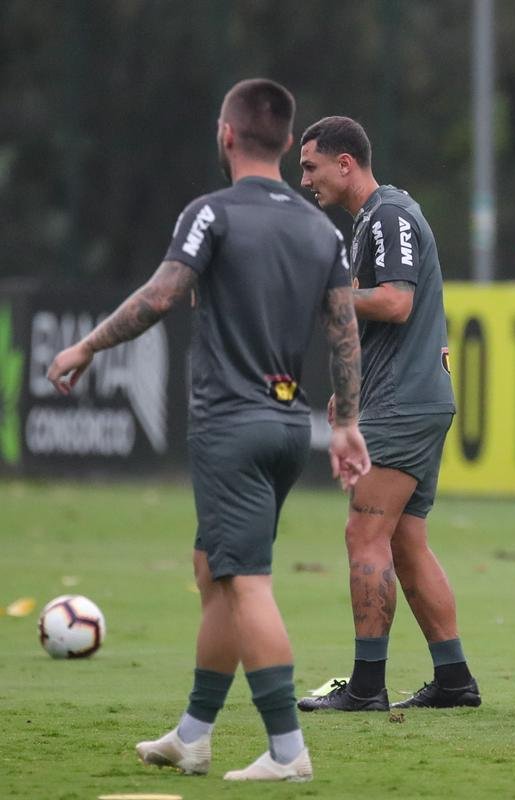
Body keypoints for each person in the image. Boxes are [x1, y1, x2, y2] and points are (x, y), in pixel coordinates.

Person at [47, 79, 370, 781]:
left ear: (226, 135)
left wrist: (86, 348)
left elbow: (162, 294)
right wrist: (345, 423)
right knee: (212, 571)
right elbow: (343, 329)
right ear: (288, 143)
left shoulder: (212, 213)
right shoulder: (322, 228)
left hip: (232, 423)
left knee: (245, 583)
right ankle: (192, 734)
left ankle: (288, 751)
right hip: (290, 427)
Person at [294, 116, 478, 712]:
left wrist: (320, 296)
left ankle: (367, 687)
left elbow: (397, 303)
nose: (305, 181)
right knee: (406, 542)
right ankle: (454, 680)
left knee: (363, 532)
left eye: (310, 167)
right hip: (404, 397)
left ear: (345, 163)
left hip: (403, 402)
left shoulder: (389, 215)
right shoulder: (371, 222)